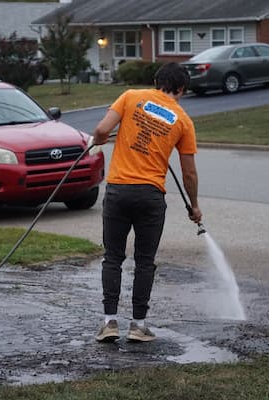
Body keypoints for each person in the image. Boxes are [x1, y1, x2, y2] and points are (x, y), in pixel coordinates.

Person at [92, 62, 202, 342]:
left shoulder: (130, 97)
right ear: (180, 89)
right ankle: (138, 326)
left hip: (118, 191)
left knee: (113, 257)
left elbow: (102, 130)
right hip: (150, 196)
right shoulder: (183, 120)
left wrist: (100, 139)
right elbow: (188, 172)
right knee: (144, 261)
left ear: (156, 81)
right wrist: (195, 205)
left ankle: (109, 323)